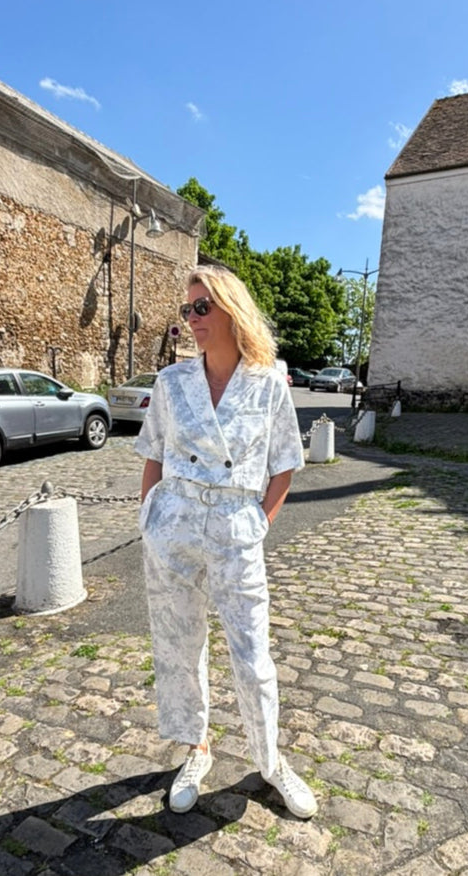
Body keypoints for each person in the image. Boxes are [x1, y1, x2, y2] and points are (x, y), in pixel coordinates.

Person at [135, 264, 318, 819]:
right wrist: (150, 517)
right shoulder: (172, 383)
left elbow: (285, 465)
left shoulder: (268, 383)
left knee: (252, 653)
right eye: (186, 310)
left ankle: (270, 761)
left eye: (201, 308)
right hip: (175, 527)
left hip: (237, 528)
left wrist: (259, 522)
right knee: (178, 646)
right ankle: (197, 748)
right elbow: (152, 454)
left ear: (230, 310)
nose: (191, 320)